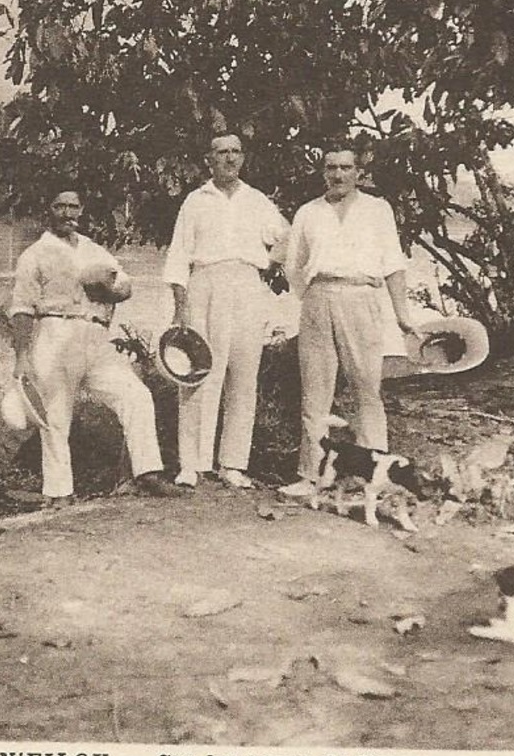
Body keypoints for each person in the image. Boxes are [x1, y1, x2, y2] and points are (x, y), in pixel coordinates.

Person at [9, 190, 183, 504]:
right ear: (49, 209)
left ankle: (148, 473)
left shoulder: (93, 250)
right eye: (59, 205)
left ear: (81, 209)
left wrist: (107, 287)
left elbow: (125, 286)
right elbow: (22, 309)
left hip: (96, 335)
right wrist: (21, 356)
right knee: (55, 414)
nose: (66, 212)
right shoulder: (35, 254)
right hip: (55, 330)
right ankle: (59, 492)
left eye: (72, 206)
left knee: (136, 394)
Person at [277, 143, 419, 497]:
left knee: (367, 390)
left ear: (359, 172)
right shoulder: (308, 212)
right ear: (323, 172)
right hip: (319, 298)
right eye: (330, 168)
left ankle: (376, 475)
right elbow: (293, 266)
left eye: (345, 167)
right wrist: (313, 296)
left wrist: (402, 315)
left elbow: (393, 264)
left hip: (363, 298)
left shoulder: (377, 209)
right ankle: (310, 476)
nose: (338, 175)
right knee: (315, 392)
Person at [163, 133, 290, 489]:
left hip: (248, 287)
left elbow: (286, 237)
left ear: (243, 158)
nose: (229, 159)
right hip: (206, 284)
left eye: (235, 152)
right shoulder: (195, 200)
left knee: (243, 376)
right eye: (222, 153)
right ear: (209, 160)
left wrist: (268, 264)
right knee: (198, 373)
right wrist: (180, 309)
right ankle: (192, 463)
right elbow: (177, 257)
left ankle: (232, 464)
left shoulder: (257, 200)